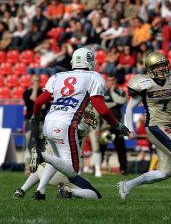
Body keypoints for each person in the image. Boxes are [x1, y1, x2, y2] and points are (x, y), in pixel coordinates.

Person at [28, 47, 129, 200]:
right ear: (90, 61)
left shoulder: (58, 75)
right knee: (73, 170)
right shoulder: (93, 76)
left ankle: (40, 192)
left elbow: (38, 102)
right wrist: (116, 124)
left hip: (49, 120)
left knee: (58, 158)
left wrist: (36, 117)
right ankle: (42, 156)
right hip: (66, 123)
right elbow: (101, 109)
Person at [117, 52, 171, 200]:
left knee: (165, 172)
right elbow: (129, 108)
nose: (162, 68)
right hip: (154, 126)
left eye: (163, 64)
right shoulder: (144, 83)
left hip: (167, 125)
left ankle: (127, 186)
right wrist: (131, 129)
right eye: (157, 66)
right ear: (150, 68)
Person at [14, 104, 99, 199]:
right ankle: (69, 192)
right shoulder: (78, 126)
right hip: (63, 173)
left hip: (43, 170)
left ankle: (23, 190)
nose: (90, 118)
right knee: (95, 194)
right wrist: (84, 120)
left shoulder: (58, 120)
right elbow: (81, 129)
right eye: (87, 115)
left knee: (49, 160)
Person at [102, 75, 128, 175]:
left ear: (116, 81)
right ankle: (97, 167)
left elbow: (121, 101)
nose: (112, 82)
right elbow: (103, 106)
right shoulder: (102, 92)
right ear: (106, 82)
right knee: (101, 146)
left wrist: (113, 92)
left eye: (113, 80)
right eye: (109, 80)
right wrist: (114, 104)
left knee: (120, 147)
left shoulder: (120, 92)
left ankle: (123, 169)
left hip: (118, 125)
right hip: (105, 124)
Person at [22, 75, 44, 173]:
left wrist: (36, 102)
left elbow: (43, 106)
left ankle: (38, 167)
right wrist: (34, 90)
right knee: (29, 144)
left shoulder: (42, 92)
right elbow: (30, 102)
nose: (37, 82)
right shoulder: (27, 92)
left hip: (40, 121)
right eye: (35, 81)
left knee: (41, 144)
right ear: (31, 82)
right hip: (29, 121)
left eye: (38, 81)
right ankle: (27, 168)